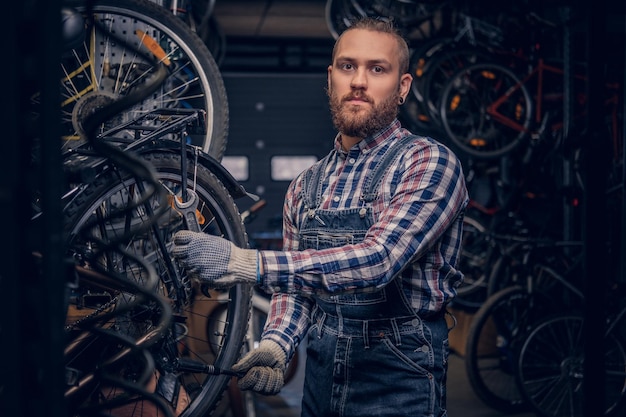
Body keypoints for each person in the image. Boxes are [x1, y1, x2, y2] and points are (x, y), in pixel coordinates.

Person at [172, 16, 468, 417]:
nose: (358, 81)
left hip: (399, 377)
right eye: (348, 66)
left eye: (376, 69)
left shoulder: (428, 163)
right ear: (331, 78)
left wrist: (244, 263)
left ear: (403, 87)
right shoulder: (305, 186)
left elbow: (378, 260)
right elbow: (298, 288)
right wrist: (277, 343)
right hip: (321, 377)